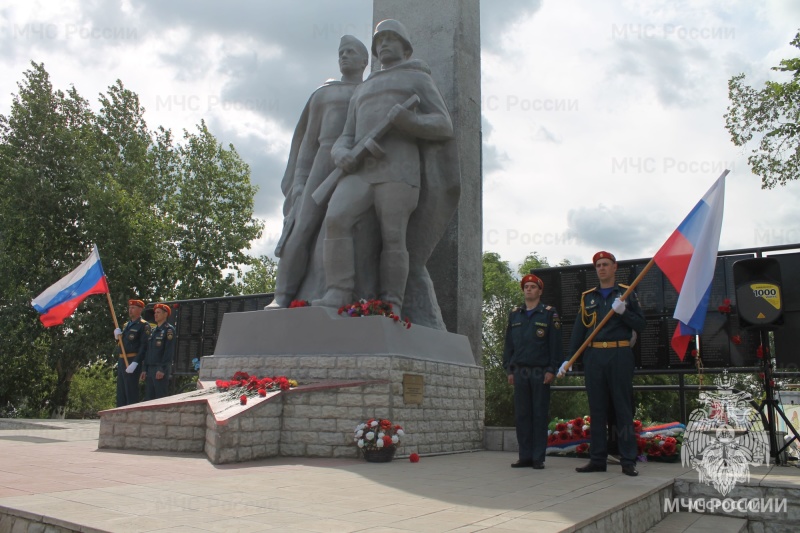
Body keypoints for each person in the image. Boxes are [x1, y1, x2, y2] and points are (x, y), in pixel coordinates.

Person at [313, 19, 457, 320]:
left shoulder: (418, 79)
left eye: (391, 39)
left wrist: (411, 123)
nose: (384, 45)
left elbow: (443, 124)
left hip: (399, 171)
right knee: (336, 218)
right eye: (380, 40)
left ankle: (392, 302)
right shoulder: (364, 88)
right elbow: (346, 136)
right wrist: (341, 154)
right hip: (360, 171)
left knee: (394, 236)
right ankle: (338, 291)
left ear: (405, 47)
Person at [269, 35, 370, 307]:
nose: (344, 56)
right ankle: (282, 296)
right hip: (323, 161)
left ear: (365, 60)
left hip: (354, 163)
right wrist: (300, 182)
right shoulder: (324, 93)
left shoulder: (369, 91)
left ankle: (338, 292)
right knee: (301, 227)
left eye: (351, 52)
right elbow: (308, 142)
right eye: (341, 52)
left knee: (338, 228)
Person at [563, 251, 645, 476]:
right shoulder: (588, 297)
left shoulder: (627, 293)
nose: (601, 268)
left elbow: (641, 324)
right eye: (598, 265)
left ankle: (628, 459)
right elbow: (579, 331)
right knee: (597, 409)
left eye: (605, 264)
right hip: (594, 357)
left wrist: (624, 312)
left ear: (614, 267)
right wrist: (569, 358)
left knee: (622, 409)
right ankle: (598, 459)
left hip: (619, 354)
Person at [503, 274, 562, 469]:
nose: (528, 289)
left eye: (532, 287)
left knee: (538, 414)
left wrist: (552, 369)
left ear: (540, 291)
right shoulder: (515, 314)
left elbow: (555, 345)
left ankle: (538, 457)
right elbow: (509, 345)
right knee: (522, 415)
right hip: (520, 371)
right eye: (526, 286)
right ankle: (524, 456)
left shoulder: (548, 313)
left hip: (540, 371)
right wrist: (509, 369)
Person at [113, 299, 150, 407]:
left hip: (131, 360)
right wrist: (117, 337)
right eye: (129, 308)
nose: (130, 310)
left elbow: (144, 346)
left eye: (133, 308)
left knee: (131, 391)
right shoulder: (126, 325)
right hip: (121, 360)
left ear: (140, 310)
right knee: (121, 391)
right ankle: (120, 413)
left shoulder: (144, 325)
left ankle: (130, 413)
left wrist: (136, 362)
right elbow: (123, 344)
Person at [139, 303, 176, 400]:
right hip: (150, 368)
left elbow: (168, 351)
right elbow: (148, 351)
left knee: (160, 398)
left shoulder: (168, 330)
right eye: (155, 312)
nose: (155, 314)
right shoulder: (153, 331)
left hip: (160, 368)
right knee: (149, 398)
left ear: (165, 314)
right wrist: (144, 369)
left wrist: (162, 369)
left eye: (158, 312)